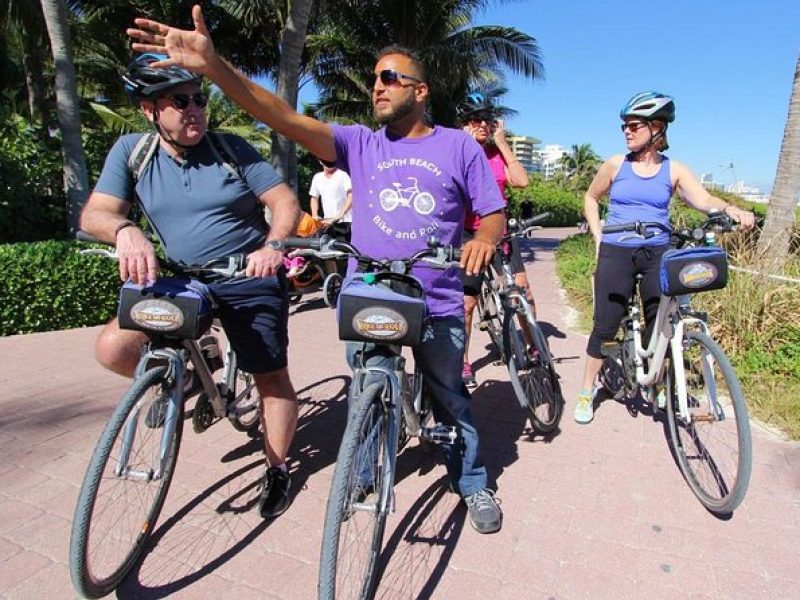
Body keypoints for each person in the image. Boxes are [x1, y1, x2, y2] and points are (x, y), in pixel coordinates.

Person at [127, 5, 507, 534]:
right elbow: (281, 116)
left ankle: (471, 480)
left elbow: (491, 215)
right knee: (369, 385)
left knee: (450, 396)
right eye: (375, 79)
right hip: (369, 290)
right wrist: (214, 68)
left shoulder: (458, 145)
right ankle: (369, 466)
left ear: (421, 91)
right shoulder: (359, 143)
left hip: (437, 296)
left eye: (391, 78)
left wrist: (484, 242)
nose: (377, 86)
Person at [79, 53, 302, 519]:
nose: (195, 109)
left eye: (199, 99)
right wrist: (124, 230)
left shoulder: (231, 148)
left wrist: (274, 246)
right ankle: (192, 375)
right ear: (149, 110)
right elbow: (95, 214)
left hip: (247, 274)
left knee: (271, 379)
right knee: (113, 349)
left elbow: (283, 201)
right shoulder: (132, 153)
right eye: (180, 102)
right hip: (181, 279)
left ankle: (278, 468)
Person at [574, 91, 755, 424]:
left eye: (633, 126)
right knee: (606, 324)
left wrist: (730, 208)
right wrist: (599, 237)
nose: (626, 131)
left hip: (657, 250)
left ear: (656, 128)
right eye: (624, 126)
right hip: (617, 249)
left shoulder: (674, 170)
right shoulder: (616, 164)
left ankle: (658, 381)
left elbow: (702, 199)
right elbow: (591, 197)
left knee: (661, 320)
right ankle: (587, 390)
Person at [457, 92, 531, 388]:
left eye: (487, 120)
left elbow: (522, 181)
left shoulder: (497, 152)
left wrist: (502, 143)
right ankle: (462, 361)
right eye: (475, 120)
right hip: (468, 235)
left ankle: (533, 344)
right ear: (463, 124)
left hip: (499, 232)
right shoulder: (456, 151)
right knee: (466, 304)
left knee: (523, 293)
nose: (482, 125)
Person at [309, 161, 353, 239]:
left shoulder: (343, 175)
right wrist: (314, 215)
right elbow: (314, 198)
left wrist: (340, 215)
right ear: (320, 161)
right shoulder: (317, 177)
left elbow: (351, 196)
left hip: (345, 222)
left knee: (343, 249)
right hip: (327, 223)